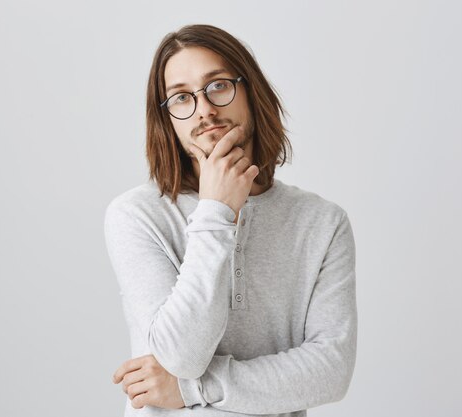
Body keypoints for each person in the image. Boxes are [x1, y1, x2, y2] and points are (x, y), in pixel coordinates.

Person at [104, 24, 357, 417]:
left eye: (218, 86)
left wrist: (191, 388)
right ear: (168, 118)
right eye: (181, 98)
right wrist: (216, 212)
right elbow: (179, 356)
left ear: (250, 89)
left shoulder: (322, 223)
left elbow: (331, 371)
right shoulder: (137, 215)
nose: (204, 109)